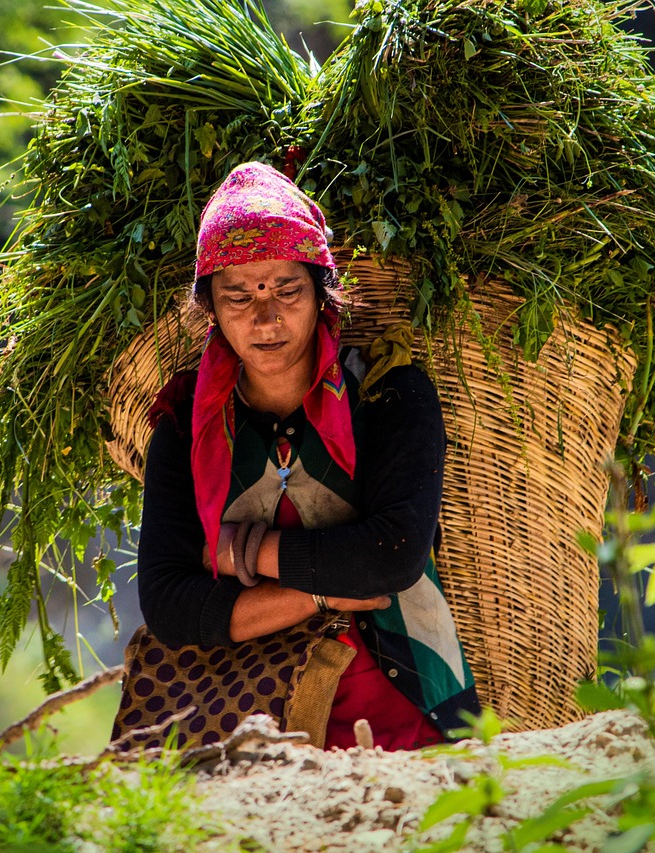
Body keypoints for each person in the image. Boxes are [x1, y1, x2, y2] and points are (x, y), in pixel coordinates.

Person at [133, 161, 479, 750]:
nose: (265, 318)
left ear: (322, 294)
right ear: (211, 310)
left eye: (287, 291)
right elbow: (169, 604)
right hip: (248, 713)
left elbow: (391, 559)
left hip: (405, 707)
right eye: (237, 296)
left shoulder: (389, 394)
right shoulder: (184, 421)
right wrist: (317, 593)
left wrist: (241, 552)